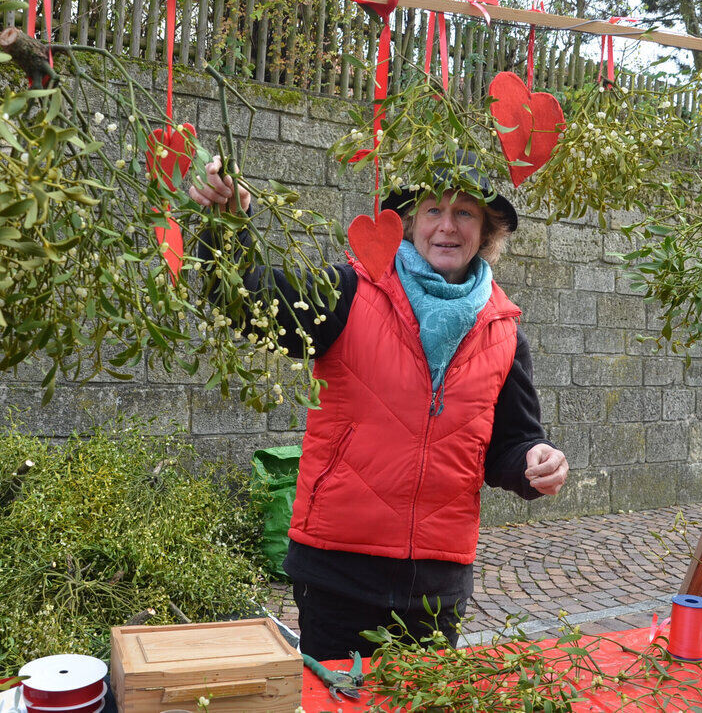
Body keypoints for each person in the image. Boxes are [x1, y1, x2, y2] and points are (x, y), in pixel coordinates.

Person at [189, 153, 568, 661]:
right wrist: (228, 225)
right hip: (337, 571)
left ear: (486, 232)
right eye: (433, 210)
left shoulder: (504, 333)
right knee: (335, 696)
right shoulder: (350, 291)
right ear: (410, 223)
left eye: (464, 213)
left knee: (421, 697)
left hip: (436, 584)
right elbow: (249, 300)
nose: (447, 226)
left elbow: (511, 443)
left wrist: (535, 461)